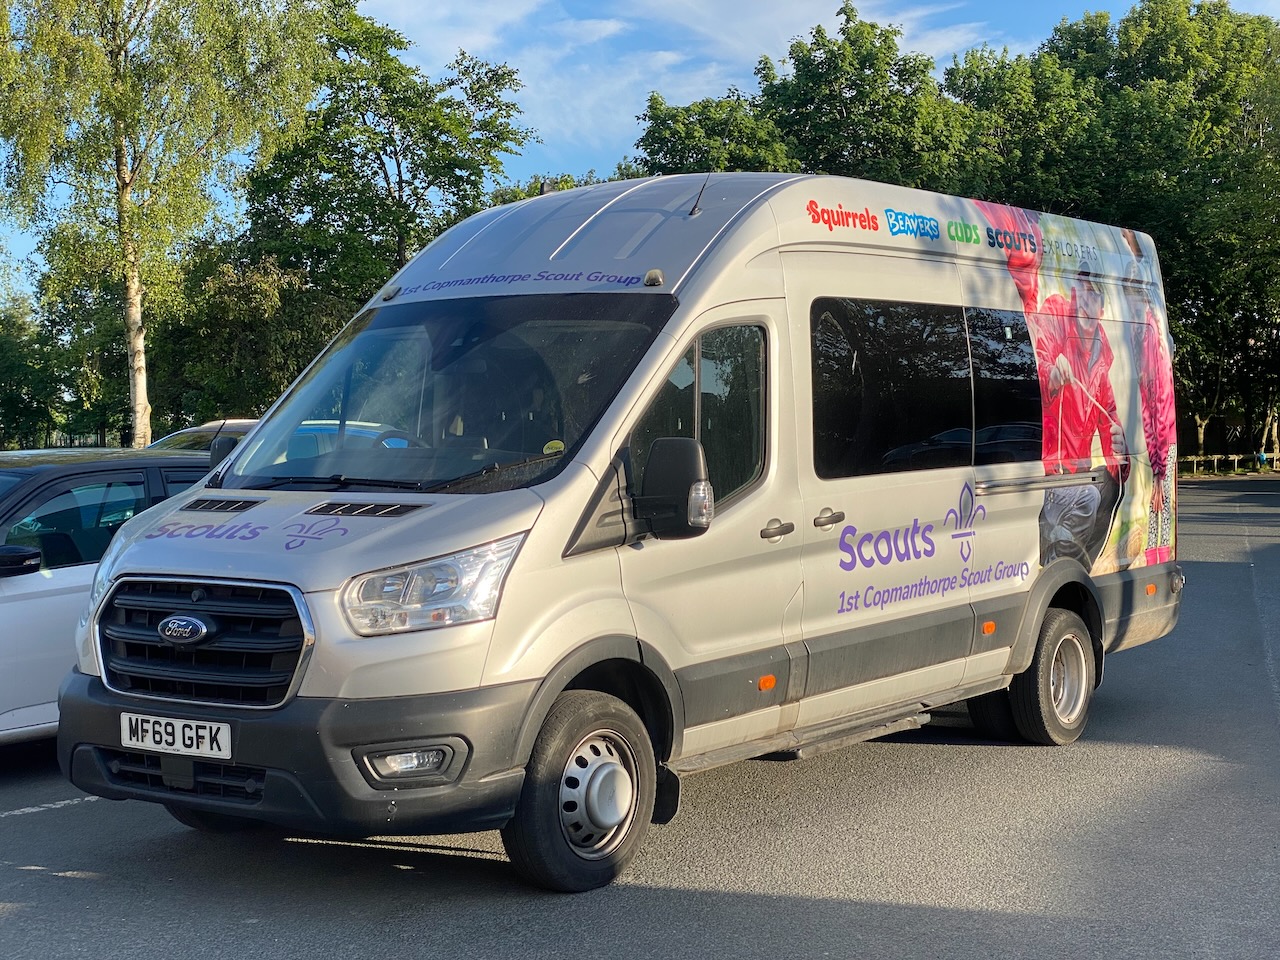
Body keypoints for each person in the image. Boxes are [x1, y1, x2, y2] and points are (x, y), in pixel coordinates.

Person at [976, 203, 1127, 569]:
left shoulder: (1102, 356)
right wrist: (1051, 375)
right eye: (1082, 290)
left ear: (1101, 305)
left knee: (1102, 492)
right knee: (1086, 498)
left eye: (1094, 293)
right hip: (1046, 473)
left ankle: (1061, 560)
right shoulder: (1056, 315)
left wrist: (1120, 452)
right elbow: (1035, 361)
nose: (1086, 299)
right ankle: (1058, 557)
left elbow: (1109, 417)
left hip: (1074, 477)